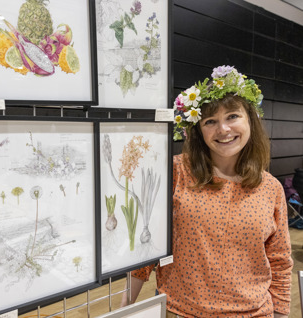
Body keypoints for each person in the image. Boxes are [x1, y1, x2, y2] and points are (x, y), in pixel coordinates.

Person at [121, 65, 293, 317]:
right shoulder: (175, 173)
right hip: (181, 311)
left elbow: (279, 261)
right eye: (210, 121)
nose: (223, 129)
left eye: (232, 116)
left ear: (251, 120)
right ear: (199, 130)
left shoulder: (270, 187)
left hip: (254, 313)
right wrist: (125, 308)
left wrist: (280, 314)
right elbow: (145, 252)